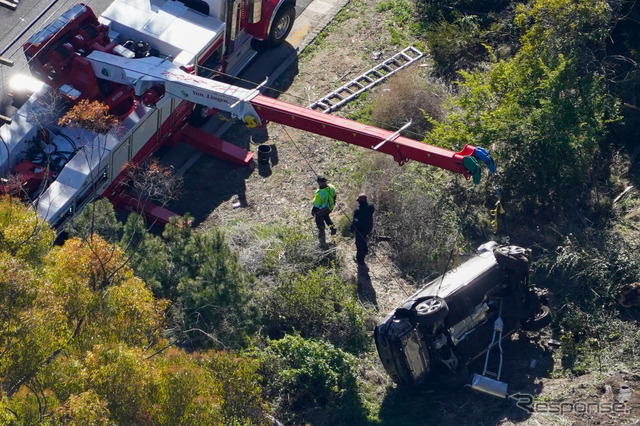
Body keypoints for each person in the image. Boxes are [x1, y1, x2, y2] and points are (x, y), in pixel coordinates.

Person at [311, 175, 337, 244]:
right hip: (330, 207)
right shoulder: (332, 187)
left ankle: (322, 231)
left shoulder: (319, 193)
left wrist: (313, 212)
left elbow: (316, 206)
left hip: (322, 210)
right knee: (326, 217)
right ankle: (332, 228)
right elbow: (335, 196)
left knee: (318, 219)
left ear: (319, 183)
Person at [350, 193, 375, 265]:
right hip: (369, 228)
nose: (358, 202)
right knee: (364, 239)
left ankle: (360, 259)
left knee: (359, 243)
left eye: (359, 200)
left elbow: (355, 221)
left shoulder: (358, 211)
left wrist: (351, 229)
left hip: (360, 229)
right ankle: (365, 251)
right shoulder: (371, 206)